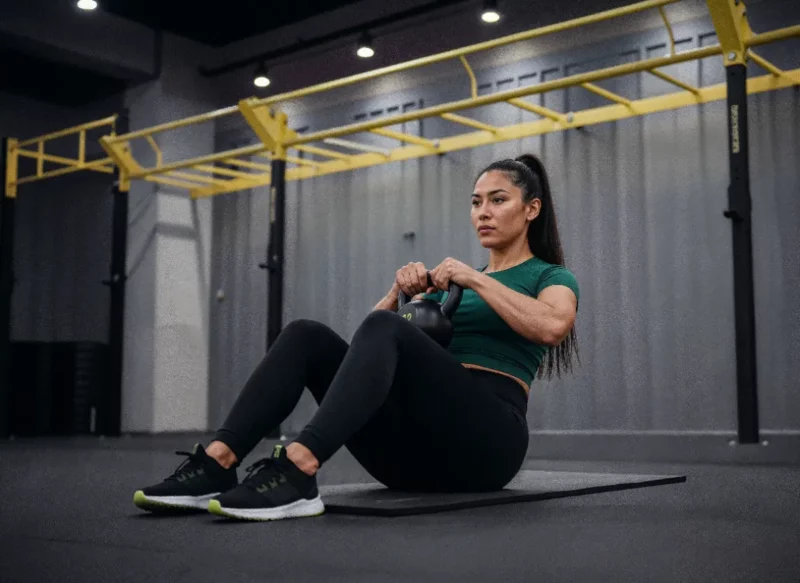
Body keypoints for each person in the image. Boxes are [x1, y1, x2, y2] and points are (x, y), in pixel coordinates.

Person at [133, 153, 580, 521]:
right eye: (476, 201)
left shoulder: (550, 276)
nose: (483, 212)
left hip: (487, 446)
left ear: (531, 208)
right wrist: (397, 294)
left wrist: (475, 278)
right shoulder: (456, 283)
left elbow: (553, 326)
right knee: (306, 335)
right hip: (409, 454)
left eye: (498, 200)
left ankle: (299, 470)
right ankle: (217, 462)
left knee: (386, 327)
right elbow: (364, 354)